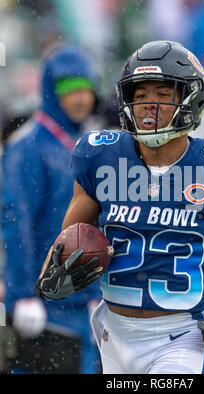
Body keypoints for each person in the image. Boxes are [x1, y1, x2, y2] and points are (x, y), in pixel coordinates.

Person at [35, 40, 204, 374]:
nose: (149, 105)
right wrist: (49, 279)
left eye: (163, 94)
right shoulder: (101, 157)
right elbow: (69, 239)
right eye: (141, 94)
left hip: (182, 335)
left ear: (191, 98)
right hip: (111, 330)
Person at [1, 45, 101, 374]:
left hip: (82, 303)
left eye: (85, 88)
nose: (80, 98)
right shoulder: (29, 147)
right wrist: (21, 294)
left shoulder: (87, 144)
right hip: (45, 304)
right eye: (69, 89)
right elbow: (17, 222)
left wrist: (97, 292)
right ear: (50, 90)